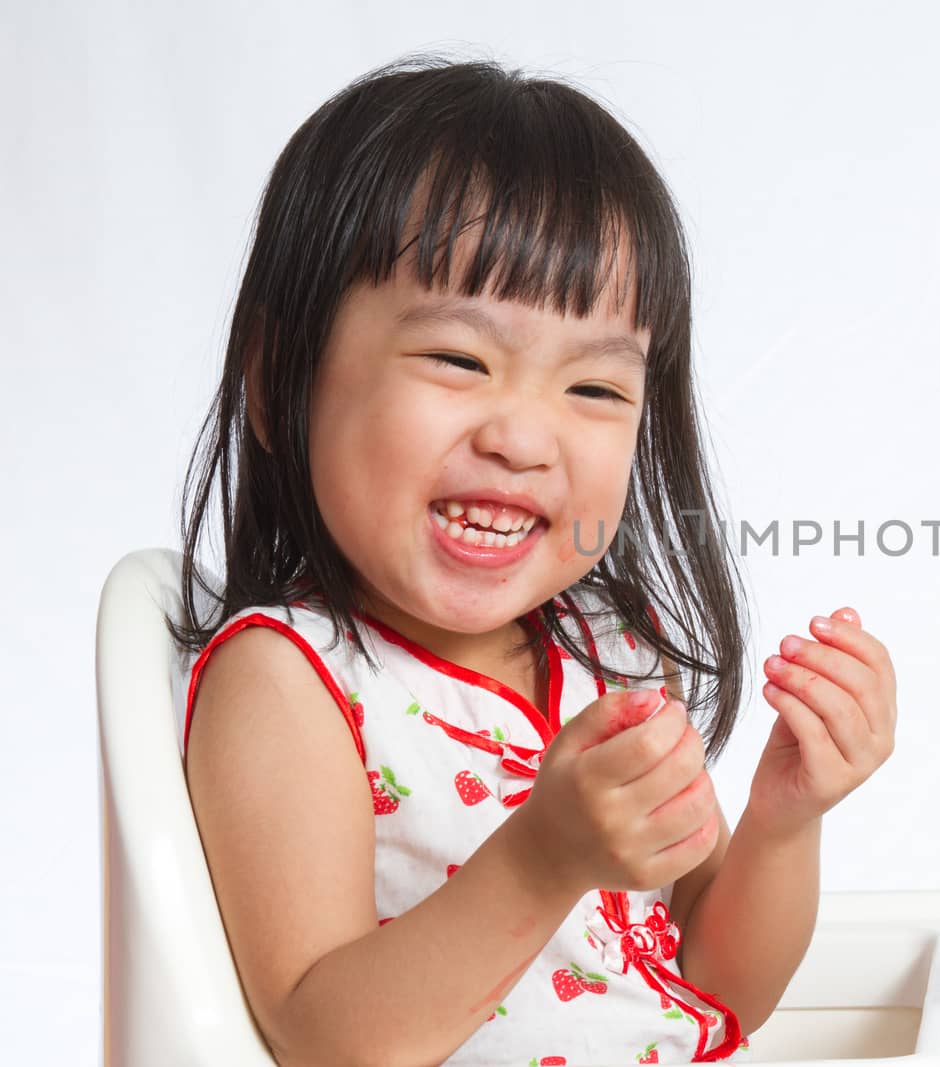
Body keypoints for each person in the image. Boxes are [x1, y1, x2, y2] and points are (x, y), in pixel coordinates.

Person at [165, 52, 899, 1066]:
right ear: (277, 378)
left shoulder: (609, 652)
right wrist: (543, 857)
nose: (523, 436)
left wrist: (784, 819)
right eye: (459, 359)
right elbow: (325, 1038)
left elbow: (720, 988)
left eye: (594, 389)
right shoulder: (290, 677)